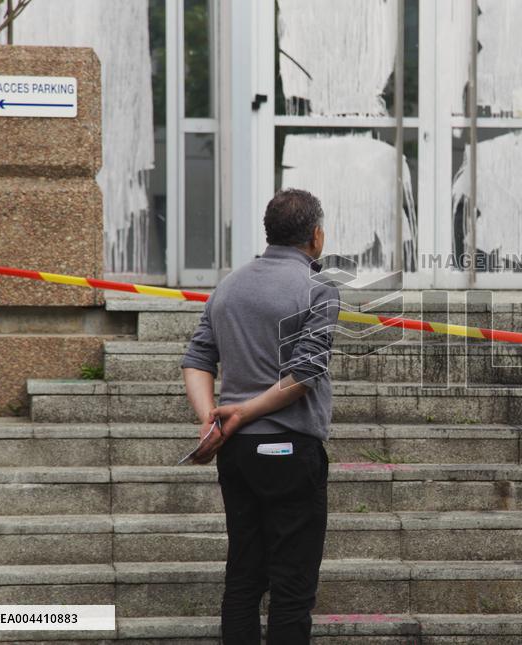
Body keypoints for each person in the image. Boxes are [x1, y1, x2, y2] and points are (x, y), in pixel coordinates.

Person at [180, 189, 340, 644]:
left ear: (269, 232)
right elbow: (304, 374)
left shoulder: (229, 286)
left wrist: (212, 419)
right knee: (292, 588)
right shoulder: (317, 290)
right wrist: (243, 412)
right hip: (291, 449)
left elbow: (197, 359)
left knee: (244, 575)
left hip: (238, 452)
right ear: (316, 236)